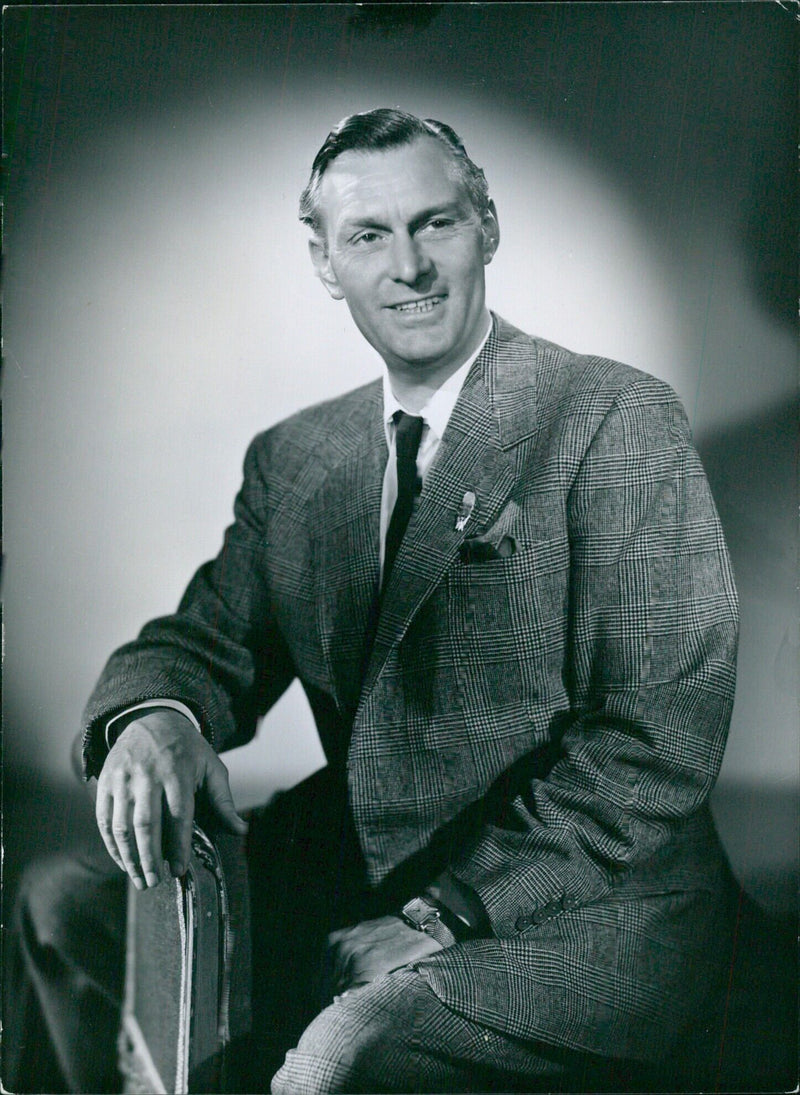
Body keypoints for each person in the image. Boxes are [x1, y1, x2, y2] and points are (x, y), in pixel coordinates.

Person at [9, 108, 740, 1094]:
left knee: (338, 1061)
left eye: (435, 223)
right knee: (59, 903)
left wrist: (444, 918)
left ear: (487, 227)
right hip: (351, 863)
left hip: (580, 907)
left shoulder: (611, 415)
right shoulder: (296, 456)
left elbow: (658, 736)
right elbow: (206, 638)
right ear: (323, 263)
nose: (409, 266)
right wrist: (155, 718)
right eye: (368, 235)